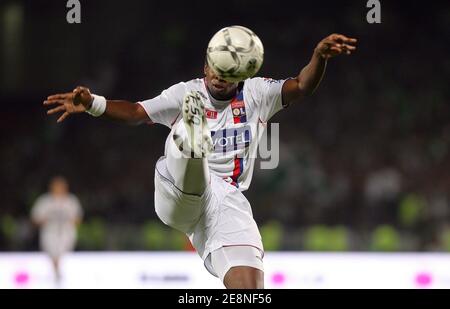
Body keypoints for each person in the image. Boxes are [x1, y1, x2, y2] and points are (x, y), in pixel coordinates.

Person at [43, 32, 357, 288]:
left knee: (250, 287)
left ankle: (194, 139)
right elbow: (138, 112)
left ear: (242, 73)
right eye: (214, 70)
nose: (219, 78)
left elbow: (301, 86)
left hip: (226, 201)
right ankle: (193, 137)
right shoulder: (185, 93)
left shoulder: (258, 93)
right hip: (176, 189)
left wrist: (319, 57)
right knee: (191, 149)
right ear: (205, 67)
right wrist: (92, 103)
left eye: (228, 74)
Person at [31, 176, 83, 285]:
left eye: (61, 186)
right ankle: (56, 275)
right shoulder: (45, 201)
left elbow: (78, 219)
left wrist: (69, 221)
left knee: (63, 252)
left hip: (66, 232)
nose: (58, 188)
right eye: (56, 186)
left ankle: (59, 275)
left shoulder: (71, 201)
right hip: (50, 232)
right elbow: (35, 219)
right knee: (52, 252)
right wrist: (45, 220)